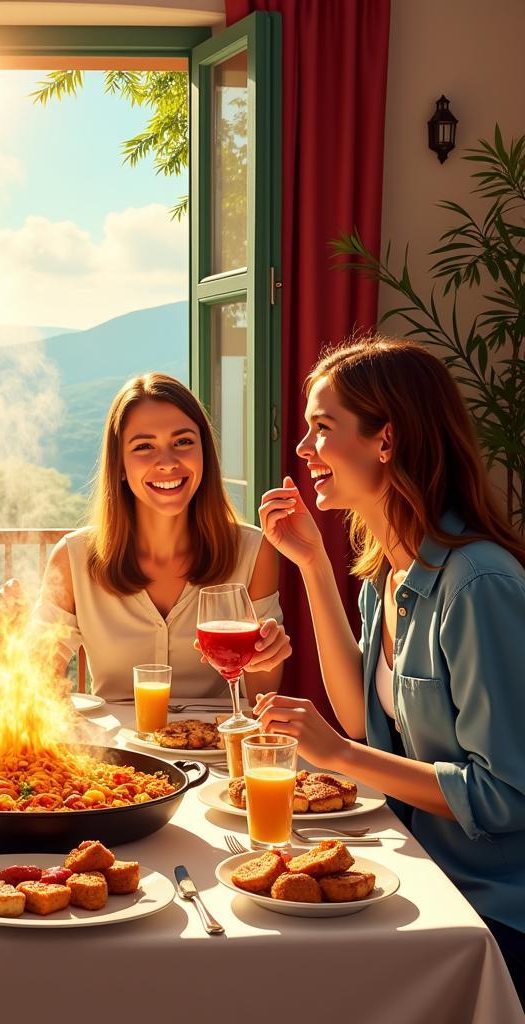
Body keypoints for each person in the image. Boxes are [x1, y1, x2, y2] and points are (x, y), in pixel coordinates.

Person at [255, 336, 525, 1005]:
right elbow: (362, 721)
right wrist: (314, 565)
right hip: (418, 867)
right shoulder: (389, 569)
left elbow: (506, 796)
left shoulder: (477, 585)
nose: (303, 451)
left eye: (323, 429)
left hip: (489, 908)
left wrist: (340, 755)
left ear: (386, 441)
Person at [0, 373, 290, 699]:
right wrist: (11, 641)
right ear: (120, 465)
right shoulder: (73, 559)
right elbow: (38, 690)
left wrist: (265, 658)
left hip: (210, 747)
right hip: (115, 751)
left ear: (204, 453)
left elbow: (261, 697)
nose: (167, 462)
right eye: (144, 446)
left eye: (183, 442)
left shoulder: (253, 551)